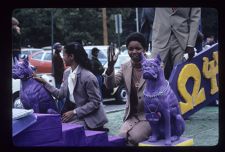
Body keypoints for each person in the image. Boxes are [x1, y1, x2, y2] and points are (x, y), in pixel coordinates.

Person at [34, 42, 108, 131]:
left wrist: (74, 112)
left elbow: (95, 102)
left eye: (64, 55)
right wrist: (44, 83)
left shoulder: (88, 77)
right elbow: (60, 94)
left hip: (90, 119)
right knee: (53, 127)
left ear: (71, 56)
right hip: (76, 116)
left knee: (64, 131)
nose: (62, 57)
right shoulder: (67, 73)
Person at [104, 32, 151, 146]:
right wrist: (110, 66)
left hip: (150, 116)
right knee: (121, 138)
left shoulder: (154, 65)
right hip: (131, 116)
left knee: (134, 138)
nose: (134, 52)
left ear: (144, 49)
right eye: (130, 49)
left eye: (138, 48)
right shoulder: (125, 66)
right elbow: (110, 85)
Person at [150, 8, 201, 79]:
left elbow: (195, 19)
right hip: (159, 36)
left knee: (181, 75)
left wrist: (190, 44)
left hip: (182, 40)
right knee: (153, 72)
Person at [52, 42, 65, 112]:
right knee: (60, 95)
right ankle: (61, 110)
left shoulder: (58, 55)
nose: (61, 48)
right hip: (58, 77)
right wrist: (63, 71)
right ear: (56, 48)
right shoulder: (56, 56)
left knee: (60, 94)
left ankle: (61, 109)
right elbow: (57, 68)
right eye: (59, 47)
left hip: (59, 77)